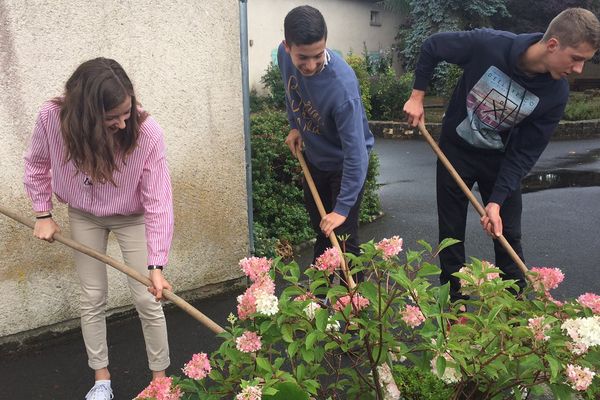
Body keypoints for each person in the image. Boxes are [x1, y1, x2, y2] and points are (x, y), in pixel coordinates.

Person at [403, 8, 600, 301]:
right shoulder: (488, 44)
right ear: (553, 45)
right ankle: (455, 306)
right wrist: (417, 96)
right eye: (576, 58)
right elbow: (433, 46)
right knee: (451, 233)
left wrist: (495, 201)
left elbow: (525, 152)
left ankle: (514, 310)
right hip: (455, 152)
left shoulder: (555, 94)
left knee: (507, 234)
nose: (579, 69)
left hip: (500, 161)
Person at [24, 58, 174, 400]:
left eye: (127, 112)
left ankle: (160, 384)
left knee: (148, 297)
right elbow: (36, 163)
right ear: (87, 116)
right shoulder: (52, 118)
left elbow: (159, 202)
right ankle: (101, 379)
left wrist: (156, 266)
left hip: (132, 216)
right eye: (112, 118)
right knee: (91, 296)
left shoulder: (146, 132)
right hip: (84, 214)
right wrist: (42, 213)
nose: (123, 123)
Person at [279, 5, 374, 285]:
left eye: (318, 56)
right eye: (302, 58)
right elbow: (291, 90)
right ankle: (318, 307)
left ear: (326, 45)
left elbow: (357, 155)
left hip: (346, 165)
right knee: (322, 233)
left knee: (344, 239)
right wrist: (295, 126)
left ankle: (354, 310)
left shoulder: (342, 89)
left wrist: (342, 209)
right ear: (287, 47)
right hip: (316, 159)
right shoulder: (284, 57)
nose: (310, 65)